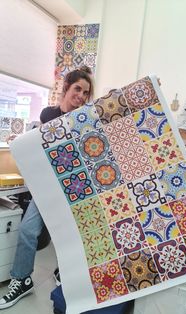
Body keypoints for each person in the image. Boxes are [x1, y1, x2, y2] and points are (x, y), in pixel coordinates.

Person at [0, 66, 94, 309]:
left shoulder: (84, 119)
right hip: (47, 187)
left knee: (75, 236)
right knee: (28, 230)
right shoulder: (47, 114)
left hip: (72, 187)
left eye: (86, 92)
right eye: (77, 89)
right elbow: (34, 149)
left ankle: (67, 275)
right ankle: (22, 280)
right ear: (66, 88)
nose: (81, 96)